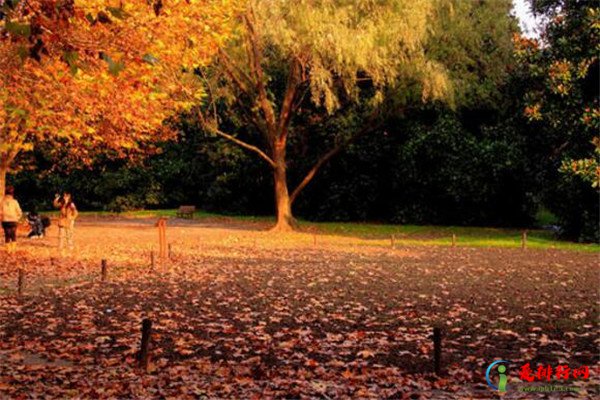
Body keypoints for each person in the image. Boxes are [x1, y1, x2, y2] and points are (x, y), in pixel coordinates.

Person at [0, 186, 23, 253]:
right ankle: (13, 250)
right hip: (13, 220)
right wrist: (17, 218)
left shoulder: (2, 202)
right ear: (12, 194)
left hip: (5, 220)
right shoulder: (15, 202)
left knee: (7, 235)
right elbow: (19, 212)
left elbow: (0, 212)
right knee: (13, 234)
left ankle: (8, 250)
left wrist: (2, 218)